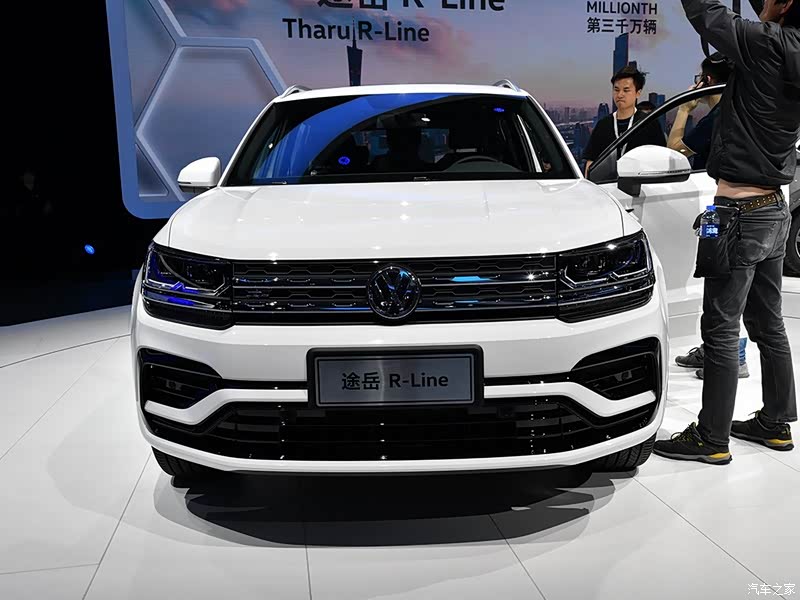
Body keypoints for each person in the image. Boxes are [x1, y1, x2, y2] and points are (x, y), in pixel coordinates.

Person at [655, 0, 800, 464]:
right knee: (769, 324)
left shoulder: (766, 42)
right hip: (773, 209)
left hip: (738, 212)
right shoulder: (789, 49)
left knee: (720, 327)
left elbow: (705, 13)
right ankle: (774, 423)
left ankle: (711, 437)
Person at [670, 54, 750, 380]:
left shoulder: (717, 116)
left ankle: (730, 357)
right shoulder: (745, 108)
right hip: (752, 206)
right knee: (737, 288)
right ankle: (718, 350)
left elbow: (674, 148)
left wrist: (683, 109)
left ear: (707, 81)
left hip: (722, 210)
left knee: (722, 286)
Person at [582, 66, 667, 176]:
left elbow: (660, 162)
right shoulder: (603, 124)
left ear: (638, 93)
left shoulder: (648, 123)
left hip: (641, 184)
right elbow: (590, 162)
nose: (620, 95)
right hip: (607, 184)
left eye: (626, 90)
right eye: (616, 90)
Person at [667, 52, 732, 170]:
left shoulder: (715, 118)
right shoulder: (739, 111)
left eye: (700, 77)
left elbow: (674, 152)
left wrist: (684, 110)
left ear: (707, 80)